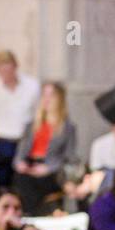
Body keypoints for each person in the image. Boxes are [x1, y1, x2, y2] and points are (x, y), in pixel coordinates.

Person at [0, 50, 41, 189]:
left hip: (26, 141)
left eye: (8, 67)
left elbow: (39, 115)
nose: (6, 72)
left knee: (25, 183)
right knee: (4, 183)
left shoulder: (32, 86)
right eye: (2, 68)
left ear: (15, 66)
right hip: (3, 142)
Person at [12, 81, 77, 214]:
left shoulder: (67, 128)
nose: (47, 99)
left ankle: (36, 216)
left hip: (51, 169)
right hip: (30, 165)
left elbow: (70, 157)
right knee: (20, 179)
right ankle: (26, 216)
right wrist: (20, 163)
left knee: (38, 183)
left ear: (59, 99)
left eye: (51, 95)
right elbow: (21, 151)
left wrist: (48, 168)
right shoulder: (31, 125)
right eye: (44, 95)